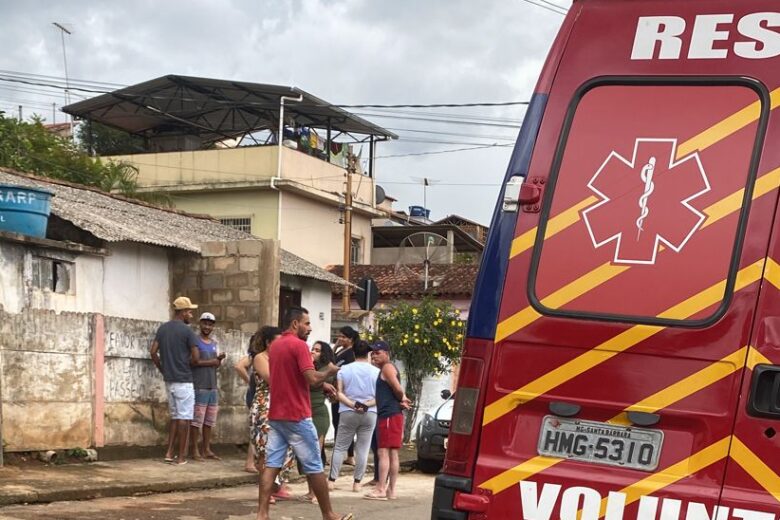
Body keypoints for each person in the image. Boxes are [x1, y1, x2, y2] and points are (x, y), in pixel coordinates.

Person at [256, 306, 350, 520]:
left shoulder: (276, 346)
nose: (309, 328)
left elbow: (290, 377)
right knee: (314, 465)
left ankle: (262, 514)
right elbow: (312, 378)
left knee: (271, 465)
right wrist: (330, 372)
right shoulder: (299, 346)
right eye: (306, 323)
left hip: (277, 414)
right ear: (295, 323)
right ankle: (328, 514)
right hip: (297, 414)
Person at [149, 296, 200, 466]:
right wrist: (188, 364)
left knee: (175, 417)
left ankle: (169, 452)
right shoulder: (187, 332)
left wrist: (163, 369)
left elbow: (153, 352)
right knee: (184, 418)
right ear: (183, 312)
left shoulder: (163, 329)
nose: (191, 315)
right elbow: (196, 357)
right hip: (184, 380)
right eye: (189, 312)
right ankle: (182, 456)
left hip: (169, 380)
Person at [249, 325, 294, 503]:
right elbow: (272, 379)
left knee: (285, 448)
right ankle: (265, 491)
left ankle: (276, 486)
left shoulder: (280, 358)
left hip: (281, 406)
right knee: (264, 450)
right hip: (264, 406)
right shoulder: (261, 358)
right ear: (268, 343)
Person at [328, 340, 380, 493]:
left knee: (340, 447)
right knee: (363, 449)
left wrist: (353, 405)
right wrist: (366, 405)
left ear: (353, 353)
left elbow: (339, 393)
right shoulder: (376, 372)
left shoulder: (344, 369)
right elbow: (379, 396)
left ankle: (331, 480)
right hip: (370, 412)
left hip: (348, 411)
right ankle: (357, 483)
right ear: (368, 353)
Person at [364, 340, 411, 501]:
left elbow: (397, 387)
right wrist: (402, 399)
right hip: (392, 414)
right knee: (392, 453)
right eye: (372, 353)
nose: (374, 356)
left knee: (383, 452)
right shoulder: (385, 368)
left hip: (389, 416)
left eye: (377, 353)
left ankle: (381, 489)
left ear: (387, 353)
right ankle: (390, 491)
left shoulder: (387, 367)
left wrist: (402, 398)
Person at [300, 340, 337, 503]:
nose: (313, 352)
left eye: (317, 350)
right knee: (304, 456)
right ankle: (310, 491)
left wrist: (325, 384)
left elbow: (314, 381)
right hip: (303, 413)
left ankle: (317, 493)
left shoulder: (325, 370)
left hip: (318, 414)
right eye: (312, 349)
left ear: (324, 353)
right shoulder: (306, 367)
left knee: (314, 453)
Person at [189, 312, 226, 461]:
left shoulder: (214, 344)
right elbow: (194, 362)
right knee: (197, 420)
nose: (207, 327)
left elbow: (214, 366)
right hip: (200, 385)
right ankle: (195, 450)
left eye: (210, 324)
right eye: (204, 323)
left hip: (212, 386)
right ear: (200, 324)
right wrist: (214, 362)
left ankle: (206, 449)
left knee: (209, 421)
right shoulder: (195, 341)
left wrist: (218, 360)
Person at [235, 330, 263, 473]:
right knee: (256, 429)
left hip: (254, 394)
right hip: (255, 395)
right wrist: (250, 382)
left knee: (256, 429)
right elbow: (238, 366)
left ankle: (254, 461)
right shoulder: (256, 357)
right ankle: (250, 462)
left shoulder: (256, 357)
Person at [332, 326, 359, 466]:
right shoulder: (342, 350)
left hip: (343, 393)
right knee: (337, 423)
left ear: (351, 339)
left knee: (343, 424)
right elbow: (329, 362)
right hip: (335, 392)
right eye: (339, 336)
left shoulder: (351, 354)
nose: (340, 339)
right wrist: (335, 346)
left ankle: (348, 455)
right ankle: (347, 455)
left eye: (343, 337)